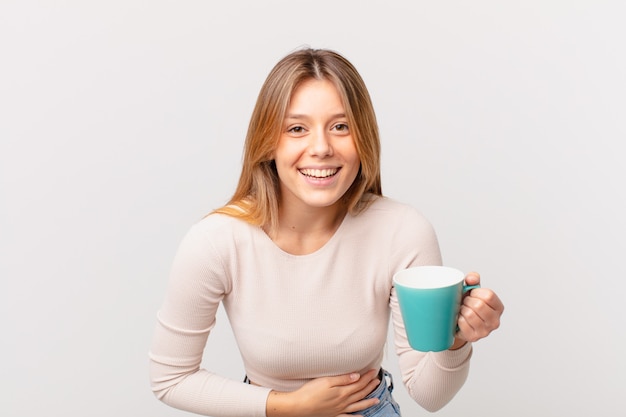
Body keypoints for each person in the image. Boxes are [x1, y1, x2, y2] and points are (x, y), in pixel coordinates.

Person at [149, 47, 504, 417]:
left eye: (340, 126)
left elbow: (431, 396)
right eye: (297, 129)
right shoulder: (216, 241)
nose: (320, 148)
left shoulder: (402, 231)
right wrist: (287, 406)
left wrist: (455, 341)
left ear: (363, 137)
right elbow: (170, 377)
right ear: (268, 141)